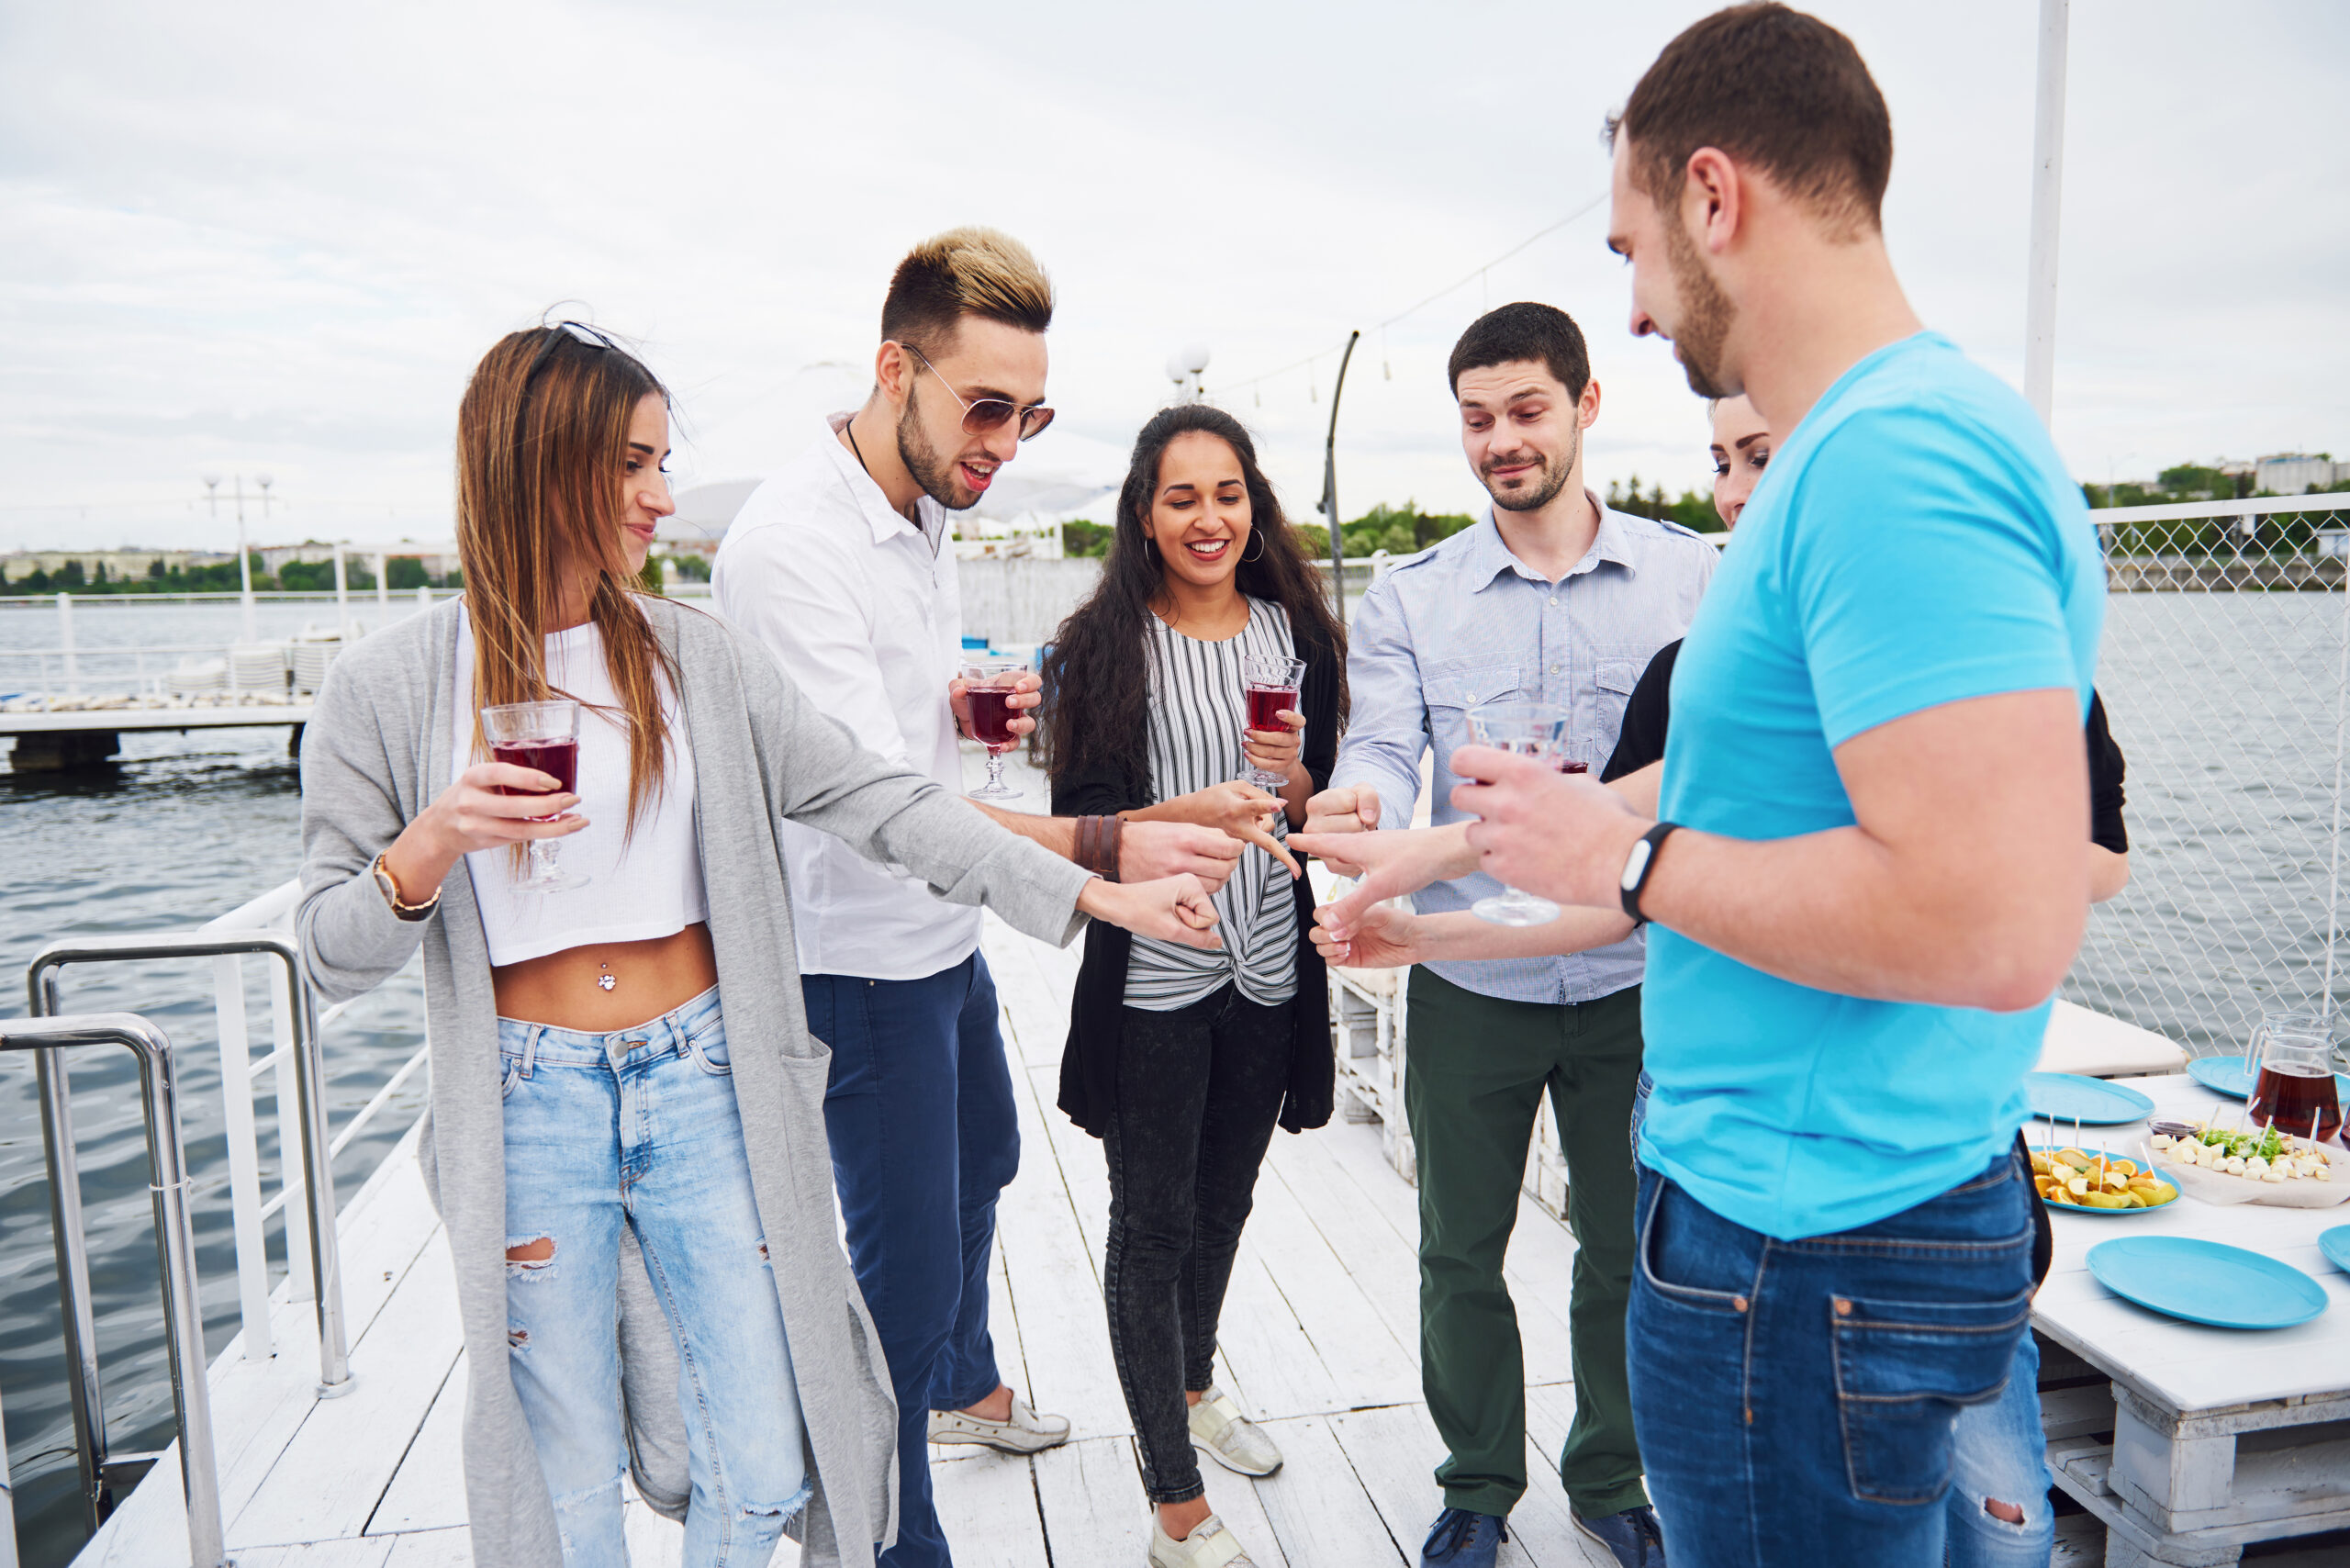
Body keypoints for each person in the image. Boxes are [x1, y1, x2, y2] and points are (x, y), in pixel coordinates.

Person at [1301, 6, 2107, 1562]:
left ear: (1715, 198)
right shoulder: (1864, 454)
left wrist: (1628, 866)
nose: (1641, 305)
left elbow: (1999, 921)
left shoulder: (1894, 464)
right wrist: (1480, 864)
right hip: (1829, 1219)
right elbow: (1739, 791)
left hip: (1812, 1248)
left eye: (1631, 247)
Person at [297, 323, 1221, 1568]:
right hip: (527, 1101)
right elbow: (328, 952)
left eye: (663, 463)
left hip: (703, 1082)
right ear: (532, 458)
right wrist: (431, 845)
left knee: (769, 1457)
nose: (660, 497)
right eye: (631, 464)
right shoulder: (389, 686)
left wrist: (1084, 879)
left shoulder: (694, 660)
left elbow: (881, 800)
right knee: (560, 1479)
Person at [711, 228, 1243, 1568]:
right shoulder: (790, 547)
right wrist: (1100, 849)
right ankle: (896, 1539)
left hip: (938, 940)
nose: (1007, 438)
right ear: (896, 370)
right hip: (854, 954)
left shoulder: (927, 506)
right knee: (899, 1280)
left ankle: (958, 1385)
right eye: (986, 406)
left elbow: (892, 746)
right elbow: (873, 804)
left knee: (989, 1167)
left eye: (1031, 410)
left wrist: (954, 704)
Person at [1301, 302, 1714, 1568]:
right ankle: (1477, 1481)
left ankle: (1611, 1473)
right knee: (1457, 1249)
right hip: (1469, 972)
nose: (1501, 441)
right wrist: (1361, 803)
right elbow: (1377, 743)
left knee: (1626, 1247)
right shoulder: (1412, 596)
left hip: (1642, 972)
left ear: (1587, 405)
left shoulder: (1696, 575)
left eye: (1526, 410)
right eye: (1477, 419)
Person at [1041, 404, 1346, 1568]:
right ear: (1144, 512)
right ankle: (1173, 1500)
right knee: (1152, 1224)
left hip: (1267, 971)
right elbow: (1081, 828)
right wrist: (1189, 812)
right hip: (1155, 978)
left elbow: (1310, 804)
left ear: (1252, 506)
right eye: (1183, 497)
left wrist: (1300, 776)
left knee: (1224, 1205)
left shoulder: (1295, 636)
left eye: (1228, 494)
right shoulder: (1102, 645)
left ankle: (1193, 1381)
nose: (1209, 518)